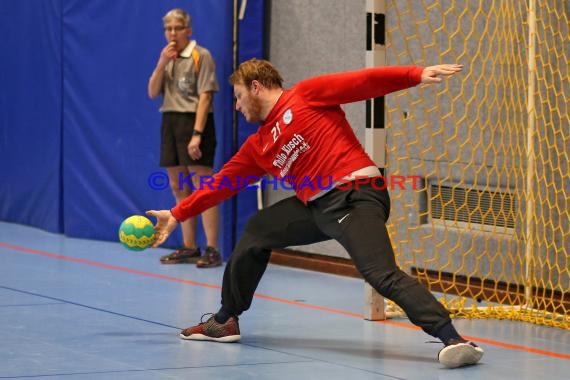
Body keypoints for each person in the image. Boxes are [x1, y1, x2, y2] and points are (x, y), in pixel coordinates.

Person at [147, 59, 485, 368]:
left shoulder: (306, 95)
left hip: (355, 196)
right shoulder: (258, 145)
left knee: (379, 273)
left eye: (237, 97)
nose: (236, 106)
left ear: (255, 86)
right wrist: (177, 214)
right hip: (318, 207)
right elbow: (220, 184)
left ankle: (453, 339)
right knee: (258, 229)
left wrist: (413, 75)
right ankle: (225, 320)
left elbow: (363, 81)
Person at [147, 8, 221, 268]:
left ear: (188, 30)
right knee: (180, 188)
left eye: (177, 28)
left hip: (194, 123)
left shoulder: (201, 55)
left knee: (204, 189)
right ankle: (189, 246)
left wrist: (197, 135)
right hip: (170, 121)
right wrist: (160, 64)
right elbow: (152, 91)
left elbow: (206, 96)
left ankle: (212, 249)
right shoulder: (167, 58)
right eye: (168, 29)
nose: (172, 33)